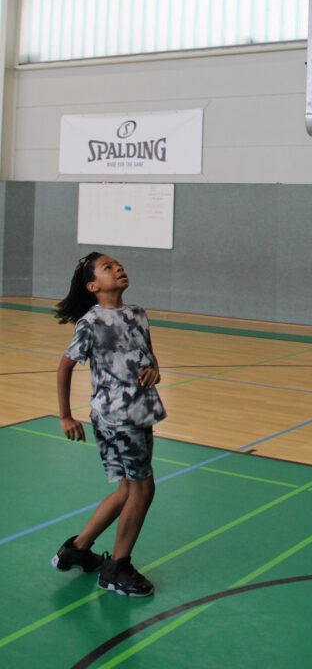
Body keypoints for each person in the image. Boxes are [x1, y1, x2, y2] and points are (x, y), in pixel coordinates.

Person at [52, 252, 165, 595]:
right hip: (117, 418)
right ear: (93, 286)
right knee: (143, 489)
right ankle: (117, 568)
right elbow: (65, 366)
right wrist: (65, 415)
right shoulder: (91, 322)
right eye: (108, 267)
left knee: (128, 490)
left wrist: (155, 370)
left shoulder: (138, 314)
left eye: (118, 265)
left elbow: (149, 356)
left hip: (139, 412)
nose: (118, 268)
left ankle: (77, 548)